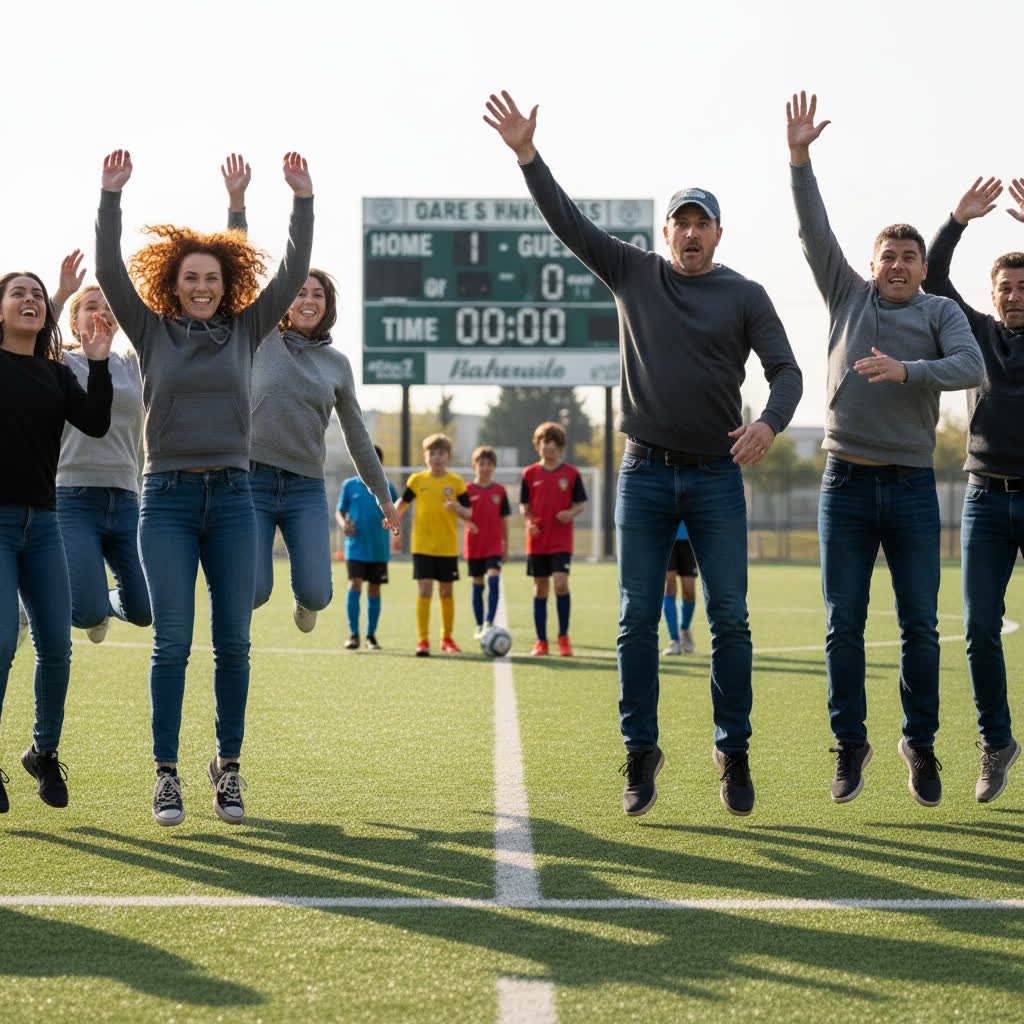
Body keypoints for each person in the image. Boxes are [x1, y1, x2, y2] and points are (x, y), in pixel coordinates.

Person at [484, 91, 802, 819]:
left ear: (719, 233)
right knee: (634, 621)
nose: (690, 234)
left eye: (702, 223)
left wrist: (772, 423)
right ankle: (640, 752)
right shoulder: (633, 272)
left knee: (731, 619)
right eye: (680, 222)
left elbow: (787, 372)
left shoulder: (745, 295)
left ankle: (734, 748)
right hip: (647, 474)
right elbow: (567, 222)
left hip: (719, 477)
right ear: (665, 231)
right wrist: (528, 156)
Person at [95, 148, 314, 827]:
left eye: (211, 278)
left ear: (227, 286)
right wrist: (110, 198)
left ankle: (229, 768)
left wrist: (302, 201)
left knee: (235, 642)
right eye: (190, 277)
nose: (200, 287)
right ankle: (166, 774)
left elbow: (294, 271)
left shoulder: (246, 329)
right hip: (166, 500)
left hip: (236, 499)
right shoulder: (150, 330)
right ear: (172, 282)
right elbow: (106, 270)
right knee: (172, 643)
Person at [787, 91, 984, 807]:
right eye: (888, 256)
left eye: (909, 257)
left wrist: (909, 371)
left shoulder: (939, 313)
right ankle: (849, 745)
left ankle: (920, 745)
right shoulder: (846, 295)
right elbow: (813, 232)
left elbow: (972, 369)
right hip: (845, 483)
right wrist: (800, 159)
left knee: (920, 628)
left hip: (908, 487)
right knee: (843, 624)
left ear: (922, 268)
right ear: (871, 265)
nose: (898, 265)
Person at [223, 158, 398, 635]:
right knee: (254, 591)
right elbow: (236, 275)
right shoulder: (260, 336)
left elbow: (358, 435)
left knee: (319, 593)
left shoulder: (337, 365)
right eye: (299, 291)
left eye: (317, 294)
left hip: (303, 487)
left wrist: (383, 497)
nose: (307, 299)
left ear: (327, 306)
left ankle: (305, 601)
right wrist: (237, 204)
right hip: (252, 480)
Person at [923, 175, 1024, 803]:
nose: (1016, 296)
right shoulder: (978, 334)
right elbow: (933, 280)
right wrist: (956, 221)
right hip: (986, 497)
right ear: (993, 295)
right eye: (1006, 289)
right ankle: (997, 742)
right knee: (979, 628)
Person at [0, 270, 112, 814]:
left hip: (43, 525)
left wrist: (97, 359)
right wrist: (64, 292)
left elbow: (94, 422)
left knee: (58, 647)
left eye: (38, 295)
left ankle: (43, 752)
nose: (30, 301)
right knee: (1, 643)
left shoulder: (54, 372)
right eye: (17, 293)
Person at [50, 253, 150, 645]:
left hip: (126, 498)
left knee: (145, 610)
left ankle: (108, 604)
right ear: (74, 320)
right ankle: (37, 605)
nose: (100, 312)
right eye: (91, 306)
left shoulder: (132, 364)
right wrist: (61, 294)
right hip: (72, 499)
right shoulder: (60, 362)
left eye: (109, 307)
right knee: (84, 612)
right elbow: (39, 335)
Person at [393, 434, 472, 656]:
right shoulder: (417, 480)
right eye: (432, 453)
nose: (436, 457)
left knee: (446, 593)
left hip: (447, 547)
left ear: (448, 457)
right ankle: (423, 640)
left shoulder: (456, 482)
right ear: (425, 456)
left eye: (441, 453)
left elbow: (469, 512)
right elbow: (403, 504)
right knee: (425, 591)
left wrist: (457, 508)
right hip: (423, 546)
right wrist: (392, 516)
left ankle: (447, 638)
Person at [520, 422, 586, 656]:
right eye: (543, 442)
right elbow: (524, 506)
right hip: (537, 541)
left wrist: (570, 513)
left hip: (561, 540)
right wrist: (529, 522)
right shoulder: (529, 474)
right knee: (540, 589)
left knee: (560, 584)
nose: (547, 446)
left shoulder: (572, 474)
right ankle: (541, 641)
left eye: (552, 442)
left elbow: (580, 504)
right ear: (537, 445)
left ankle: (563, 637)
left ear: (560, 446)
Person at [337, 445, 399, 650]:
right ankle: (353, 634)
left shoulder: (388, 488)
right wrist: (344, 524)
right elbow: (340, 511)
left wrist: (398, 533)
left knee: (374, 588)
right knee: (355, 584)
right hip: (355, 547)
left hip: (379, 549)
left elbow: (397, 513)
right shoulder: (349, 485)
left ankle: (371, 636)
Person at [465, 446, 510, 638]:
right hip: (474, 544)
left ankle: (489, 621)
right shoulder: (466, 490)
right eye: (481, 464)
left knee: (493, 578)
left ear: (494, 467)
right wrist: (467, 522)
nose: (485, 468)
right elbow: (459, 514)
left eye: (489, 464)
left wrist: (505, 544)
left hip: (493, 545)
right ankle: (478, 624)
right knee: (477, 582)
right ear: (474, 466)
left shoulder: (500, 491)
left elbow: (504, 520)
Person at [663, 520, 699, 655]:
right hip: (667, 534)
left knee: (689, 592)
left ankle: (684, 630)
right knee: (668, 585)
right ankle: (674, 640)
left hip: (689, 538)